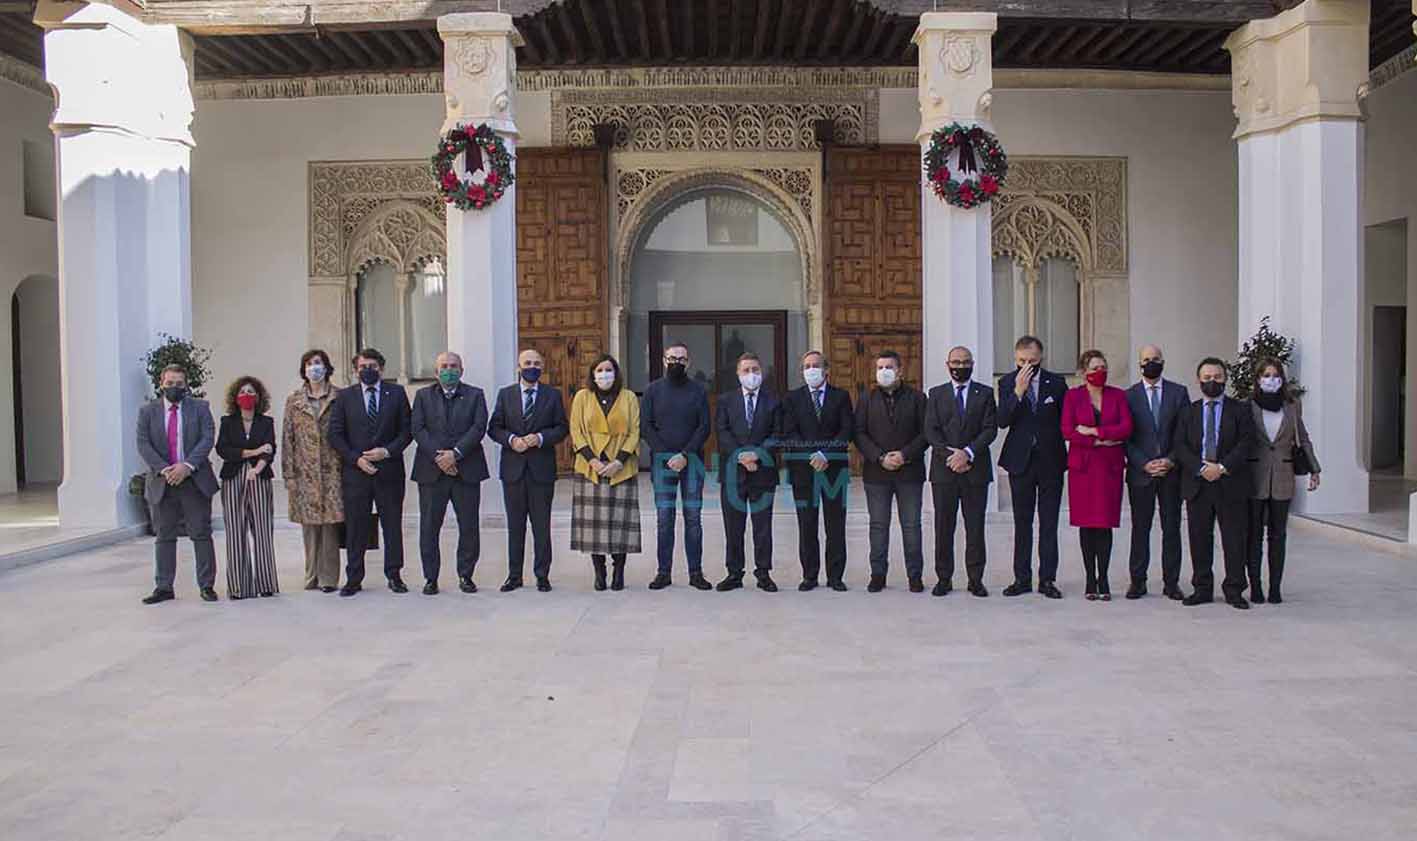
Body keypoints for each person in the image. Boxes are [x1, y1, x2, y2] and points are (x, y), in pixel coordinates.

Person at [327, 348, 413, 597]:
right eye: (363, 366)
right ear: (355, 370)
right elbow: (335, 433)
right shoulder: (344, 397)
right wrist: (356, 459)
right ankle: (354, 578)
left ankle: (394, 575)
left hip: (389, 471)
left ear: (382, 369)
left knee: (392, 525)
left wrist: (387, 451)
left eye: (373, 366)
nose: (368, 370)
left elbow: (406, 431)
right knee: (356, 527)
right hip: (356, 473)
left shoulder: (396, 393)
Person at [1173, 357, 1256, 609]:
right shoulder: (1189, 411)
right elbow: (1180, 445)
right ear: (1199, 380)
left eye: (1217, 377)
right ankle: (1202, 587)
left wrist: (1221, 468)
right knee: (1199, 538)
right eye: (1207, 377)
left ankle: (1234, 589)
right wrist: (1200, 468)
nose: (1212, 382)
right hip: (1198, 484)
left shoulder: (1240, 410)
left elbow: (1246, 442)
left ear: (1225, 379)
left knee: (1233, 539)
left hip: (1229, 482)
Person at [136, 365, 220, 604]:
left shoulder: (200, 408)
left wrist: (187, 466)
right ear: (161, 384)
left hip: (194, 479)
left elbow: (207, 438)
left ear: (186, 385)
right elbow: (143, 444)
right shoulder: (147, 412)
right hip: (163, 481)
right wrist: (166, 469)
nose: (174, 387)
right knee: (164, 535)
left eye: (179, 383)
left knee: (201, 534)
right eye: (170, 383)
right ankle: (164, 587)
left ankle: (206, 585)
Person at [489, 348, 569, 592]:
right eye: (527, 363)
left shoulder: (552, 395)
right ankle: (514, 576)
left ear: (542, 368)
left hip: (541, 470)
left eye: (536, 363)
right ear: (518, 367)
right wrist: (512, 439)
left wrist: (540, 438)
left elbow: (561, 428)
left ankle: (542, 575)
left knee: (541, 526)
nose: (531, 367)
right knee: (515, 526)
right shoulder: (505, 395)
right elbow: (494, 428)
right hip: (513, 470)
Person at [997, 335, 1069, 599]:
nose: (1027, 366)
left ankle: (1047, 579)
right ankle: (1022, 578)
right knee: (1022, 522)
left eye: (1032, 361)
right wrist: (1018, 391)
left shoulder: (1057, 383)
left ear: (1041, 359)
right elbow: (1003, 420)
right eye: (1021, 361)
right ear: (1015, 360)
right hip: (1021, 462)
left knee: (1048, 523)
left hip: (1050, 461)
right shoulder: (1006, 382)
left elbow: (1065, 421)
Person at [411, 351, 489, 595]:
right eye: (444, 366)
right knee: (429, 527)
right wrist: (440, 456)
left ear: (462, 370)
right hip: (431, 472)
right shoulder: (423, 396)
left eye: (454, 366)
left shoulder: (475, 395)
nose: (449, 370)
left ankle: (466, 575)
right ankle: (430, 578)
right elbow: (418, 428)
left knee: (468, 526)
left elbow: (478, 427)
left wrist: (455, 454)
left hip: (466, 470)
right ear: (436, 372)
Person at [1247, 357, 1321, 604]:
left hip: (1283, 476)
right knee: (1254, 534)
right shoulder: (1248, 405)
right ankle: (1255, 585)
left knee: (1278, 535)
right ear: (1258, 379)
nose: (1271, 379)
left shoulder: (1291, 405)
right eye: (1266, 375)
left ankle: (1275, 587)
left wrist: (1314, 468)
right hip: (1255, 477)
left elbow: (1303, 437)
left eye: (1275, 375)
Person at [854, 350, 929, 593]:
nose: (883, 371)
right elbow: (859, 433)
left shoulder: (918, 398)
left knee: (911, 525)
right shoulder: (866, 398)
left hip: (910, 472)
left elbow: (926, 433)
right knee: (878, 525)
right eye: (880, 367)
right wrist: (879, 457)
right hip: (877, 473)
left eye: (889, 367)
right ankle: (878, 574)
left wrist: (904, 455)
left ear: (900, 371)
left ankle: (915, 576)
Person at [924, 346, 997, 597]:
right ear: (947, 365)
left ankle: (975, 579)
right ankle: (944, 578)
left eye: (965, 362)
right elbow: (931, 431)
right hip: (944, 472)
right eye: (956, 362)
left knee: (975, 527)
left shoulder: (985, 393)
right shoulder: (936, 394)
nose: (961, 366)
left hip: (975, 470)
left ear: (972, 364)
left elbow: (990, 429)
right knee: (944, 526)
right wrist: (952, 456)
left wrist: (967, 453)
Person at [1061, 351, 1133, 601]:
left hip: (1110, 469)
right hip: (1083, 469)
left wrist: (1094, 431)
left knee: (1104, 525)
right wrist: (1101, 441)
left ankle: (1104, 577)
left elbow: (1125, 428)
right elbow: (1068, 430)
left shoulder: (1118, 396)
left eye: (1103, 366)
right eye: (1094, 367)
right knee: (1087, 525)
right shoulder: (1073, 397)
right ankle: (1090, 579)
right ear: (1083, 372)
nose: (1099, 371)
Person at [640, 342, 713, 591]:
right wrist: (665, 455)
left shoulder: (699, 391)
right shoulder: (652, 391)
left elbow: (704, 426)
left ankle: (696, 573)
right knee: (664, 519)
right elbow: (646, 427)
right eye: (672, 358)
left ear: (688, 362)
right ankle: (664, 572)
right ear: (663, 360)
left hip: (691, 463)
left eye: (681, 359)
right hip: (662, 465)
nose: (676, 363)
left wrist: (684, 454)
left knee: (693, 518)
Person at [780, 350, 854, 591]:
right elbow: (790, 432)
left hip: (834, 470)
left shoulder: (841, 397)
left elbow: (846, 430)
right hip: (804, 469)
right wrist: (813, 454)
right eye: (807, 366)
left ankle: (835, 576)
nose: (811, 369)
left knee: (835, 525)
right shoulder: (792, 399)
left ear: (826, 369)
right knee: (807, 524)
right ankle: (810, 575)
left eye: (816, 365)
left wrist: (826, 454)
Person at [569, 354, 642, 592]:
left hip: (621, 469)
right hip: (590, 469)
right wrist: (593, 460)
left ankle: (618, 571)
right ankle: (599, 573)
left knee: (620, 523)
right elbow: (576, 431)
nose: (604, 374)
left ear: (616, 372)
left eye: (608, 369)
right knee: (595, 526)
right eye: (599, 370)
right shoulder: (582, 396)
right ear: (592, 374)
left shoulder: (629, 397)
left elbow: (634, 431)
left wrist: (619, 461)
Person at [1123, 344, 1189, 600]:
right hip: (1141, 474)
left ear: (1163, 361)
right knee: (1140, 528)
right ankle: (1137, 581)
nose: (1151, 363)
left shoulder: (1178, 393)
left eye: (1156, 359)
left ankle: (1171, 582)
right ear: (1140, 364)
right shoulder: (1129, 396)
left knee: (1171, 528)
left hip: (1171, 473)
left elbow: (1185, 434)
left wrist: (1170, 461)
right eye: (1146, 359)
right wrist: (1143, 463)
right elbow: (1126, 438)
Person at [715, 352, 782, 592]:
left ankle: (763, 574)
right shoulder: (725, 400)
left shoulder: (773, 401)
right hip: (733, 472)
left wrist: (757, 455)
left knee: (762, 526)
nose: (751, 375)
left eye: (755, 369)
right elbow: (722, 433)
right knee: (733, 526)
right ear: (738, 374)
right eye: (746, 370)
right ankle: (734, 573)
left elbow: (777, 434)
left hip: (763, 473)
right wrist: (742, 457)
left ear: (761, 372)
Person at [282, 349, 344, 593]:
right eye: (309, 364)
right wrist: (288, 474)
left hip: (332, 470)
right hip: (305, 472)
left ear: (326, 367)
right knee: (309, 526)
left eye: (318, 363)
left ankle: (329, 578)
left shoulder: (340, 397)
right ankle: (311, 576)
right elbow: (288, 438)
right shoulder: (294, 400)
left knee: (330, 525)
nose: (314, 368)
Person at [216, 376, 279, 599]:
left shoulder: (266, 422)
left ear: (259, 396)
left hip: (259, 477)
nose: (247, 395)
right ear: (235, 397)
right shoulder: (228, 422)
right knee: (235, 530)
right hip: (233, 477)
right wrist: (253, 452)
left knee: (262, 530)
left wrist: (258, 466)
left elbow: (270, 450)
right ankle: (238, 586)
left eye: (251, 391)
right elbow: (223, 449)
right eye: (243, 391)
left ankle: (266, 583)